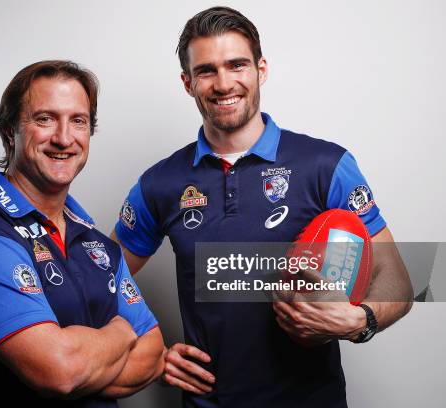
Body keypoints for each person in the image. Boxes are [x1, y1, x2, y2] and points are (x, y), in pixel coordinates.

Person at [112, 7, 413, 408]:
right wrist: (150, 356)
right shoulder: (159, 183)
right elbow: (102, 279)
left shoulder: (326, 165)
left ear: (261, 69)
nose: (223, 84)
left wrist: (361, 321)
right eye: (206, 71)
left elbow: (398, 281)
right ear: (187, 83)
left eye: (237, 65)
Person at [0, 60, 165, 407]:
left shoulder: (96, 241)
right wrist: (121, 332)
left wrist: (82, 355)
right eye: (45, 119)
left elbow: (153, 355)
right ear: (11, 131)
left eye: (78, 121)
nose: (64, 138)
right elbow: (60, 373)